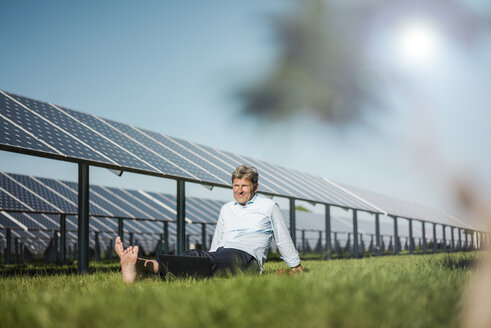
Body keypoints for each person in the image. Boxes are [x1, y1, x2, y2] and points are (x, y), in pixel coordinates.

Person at [115, 164, 303, 283]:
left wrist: (295, 265)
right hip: (222, 253)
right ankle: (144, 275)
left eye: (244, 186)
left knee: (205, 261)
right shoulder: (226, 208)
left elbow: (282, 237)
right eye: (236, 185)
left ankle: (146, 265)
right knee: (198, 257)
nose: (239, 190)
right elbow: (218, 238)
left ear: (255, 186)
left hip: (248, 259)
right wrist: (209, 255)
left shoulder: (269, 206)